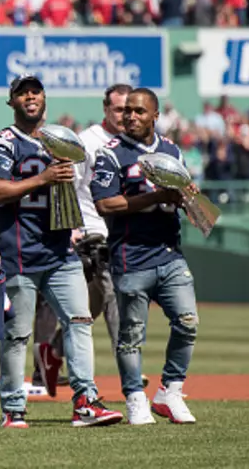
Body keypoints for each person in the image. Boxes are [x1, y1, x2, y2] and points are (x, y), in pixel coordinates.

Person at [0, 75, 123, 429]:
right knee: (17, 334)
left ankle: (85, 402)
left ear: (44, 97)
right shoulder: (4, 142)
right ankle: (13, 409)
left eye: (35, 91)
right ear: (11, 101)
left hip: (61, 251)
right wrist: (41, 179)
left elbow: (86, 184)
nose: (30, 97)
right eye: (22, 93)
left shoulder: (62, 139)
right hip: (19, 253)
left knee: (79, 321)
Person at [92, 87, 199, 425]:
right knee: (131, 334)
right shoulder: (111, 154)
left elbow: (183, 196)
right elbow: (105, 204)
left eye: (139, 112)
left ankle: (170, 389)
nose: (131, 117)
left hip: (169, 252)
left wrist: (187, 198)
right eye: (127, 111)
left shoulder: (171, 150)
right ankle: (135, 396)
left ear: (155, 116)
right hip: (130, 254)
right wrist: (153, 198)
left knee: (187, 321)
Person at [33, 84, 150, 393]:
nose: (125, 115)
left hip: (124, 230)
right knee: (115, 295)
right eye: (119, 109)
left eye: (130, 110)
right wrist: (73, 228)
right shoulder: (87, 142)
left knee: (92, 303)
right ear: (105, 110)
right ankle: (130, 369)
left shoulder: (134, 143)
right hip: (93, 230)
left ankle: (52, 352)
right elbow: (68, 186)